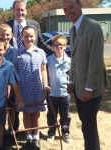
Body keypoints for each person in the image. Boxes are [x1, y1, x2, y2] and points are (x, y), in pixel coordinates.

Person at [62, 0, 105, 150]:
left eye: (71, 7)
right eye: (65, 9)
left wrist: (89, 88)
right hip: (78, 87)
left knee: (89, 126)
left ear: (80, 5)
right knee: (86, 125)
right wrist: (70, 80)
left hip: (90, 89)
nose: (68, 12)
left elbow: (95, 61)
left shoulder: (93, 27)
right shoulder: (72, 29)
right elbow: (73, 59)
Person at [6, 0, 52, 131]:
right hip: (13, 70)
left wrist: (54, 51)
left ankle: (33, 134)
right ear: (13, 10)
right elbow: (1, 44)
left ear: (26, 10)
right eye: (17, 10)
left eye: (22, 10)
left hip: (31, 74)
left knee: (32, 107)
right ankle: (13, 130)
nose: (20, 12)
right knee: (14, 103)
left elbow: (41, 43)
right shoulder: (7, 25)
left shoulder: (34, 24)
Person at [13, 26, 49, 150]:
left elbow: (44, 70)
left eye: (31, 36)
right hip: (23, 90)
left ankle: (36, 137)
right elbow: (14, 74)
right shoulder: (17, 54)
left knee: (36, 113)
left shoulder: (40, 52)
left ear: (35, 36)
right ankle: (29, 137)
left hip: (38, 89)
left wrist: (45, 85)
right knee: (27, 114)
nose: (29, 38)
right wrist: (17, 93)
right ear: (22, 37)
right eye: (26, 36)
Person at [46, 35, 71, 143]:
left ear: (65, 46)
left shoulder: (70, 61)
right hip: (52, 93)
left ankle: (65, 133)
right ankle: (51, 132)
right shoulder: (48, 60)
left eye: (61, 45)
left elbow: (73, 76)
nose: (59, 47)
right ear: (52, 47)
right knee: (51, 114)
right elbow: (44, 74)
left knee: (65, 115)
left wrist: (71, 85)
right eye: (56, 45)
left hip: (65, 93)